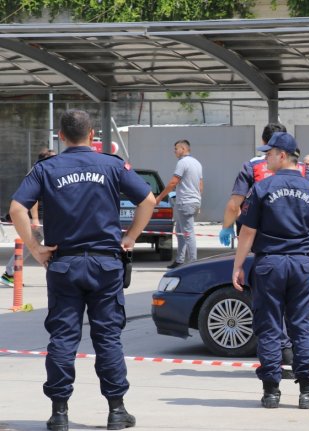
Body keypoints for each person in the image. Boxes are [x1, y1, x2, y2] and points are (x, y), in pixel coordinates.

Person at [9, 109, 156, 430]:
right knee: (107, 338)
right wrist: (130, 237)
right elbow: (147, 199)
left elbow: (17, 207)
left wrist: (35, 248)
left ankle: (59, 413)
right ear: (93, 136)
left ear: (60, 137)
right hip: (105, 264)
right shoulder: (111, 165)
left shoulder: (46, 168)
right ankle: (116, 411)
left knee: (63, 338)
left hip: (64, 264)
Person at [219, 123, 309, 379]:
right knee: (303, 327)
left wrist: (238, 265)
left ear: (281, 155)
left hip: (270, 264)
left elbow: (247, 231)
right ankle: (308, 389)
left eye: (268, 153)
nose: (264, 158)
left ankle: (271, 389)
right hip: (302, 265)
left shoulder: (260, 188)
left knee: (268, 327)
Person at [1, 148, 55, 287]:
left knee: (28, 247)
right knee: (54, 247)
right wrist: (36, 219)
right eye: (54, 157)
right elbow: (34, 199)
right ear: (46, 159)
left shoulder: (43, 172)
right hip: (41, 219)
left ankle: (9, 274)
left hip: (41, 218)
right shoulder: (40, 173)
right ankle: (58, 276)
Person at [155, 139, 203, 269]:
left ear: (183, 149)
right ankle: (180, 260)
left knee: (188, 233)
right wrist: (198, 201)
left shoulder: (182, 163)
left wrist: (159, 197)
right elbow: (200, 185)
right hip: (193, 201)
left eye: (176, 149)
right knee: (180, 231)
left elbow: (173, 183)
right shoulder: (197, 163)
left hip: (185, 202)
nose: (174, 151)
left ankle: (193, 263)